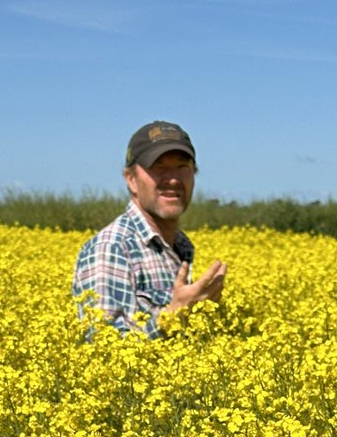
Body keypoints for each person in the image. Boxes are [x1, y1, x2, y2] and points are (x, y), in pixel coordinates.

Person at [72, 121, 227, 337]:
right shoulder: (112, 248)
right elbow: (101, 347)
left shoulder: (181, 247)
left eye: (183, 167)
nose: (173, 179)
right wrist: (172, 317)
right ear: (131, 179)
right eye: (159, 167)